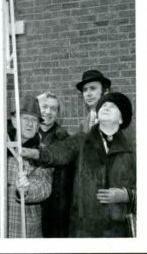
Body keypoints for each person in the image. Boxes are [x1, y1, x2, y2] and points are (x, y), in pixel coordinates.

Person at [22, 92, 136, 238]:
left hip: (118, 231)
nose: (106, 107)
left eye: (112, 106)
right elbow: (59, 152)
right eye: (104, 105)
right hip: (85, 229)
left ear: (121, 119)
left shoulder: (132, 149)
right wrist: (36, 153)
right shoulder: (81, 140)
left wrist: (127, 195)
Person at [0, 96, 53, 238]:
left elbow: (44, 186)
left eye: (34, 120)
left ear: (39, 125)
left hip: (23, 229)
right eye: (25, 118)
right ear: (14, 121)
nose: (30, 124)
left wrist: (26, 190)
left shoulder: (41, 152)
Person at [36, 91, 73, 237]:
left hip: (53, 209)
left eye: (53, 108)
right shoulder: (22, 134)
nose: (48, 112)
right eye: (44, 107)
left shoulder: (64, 139)